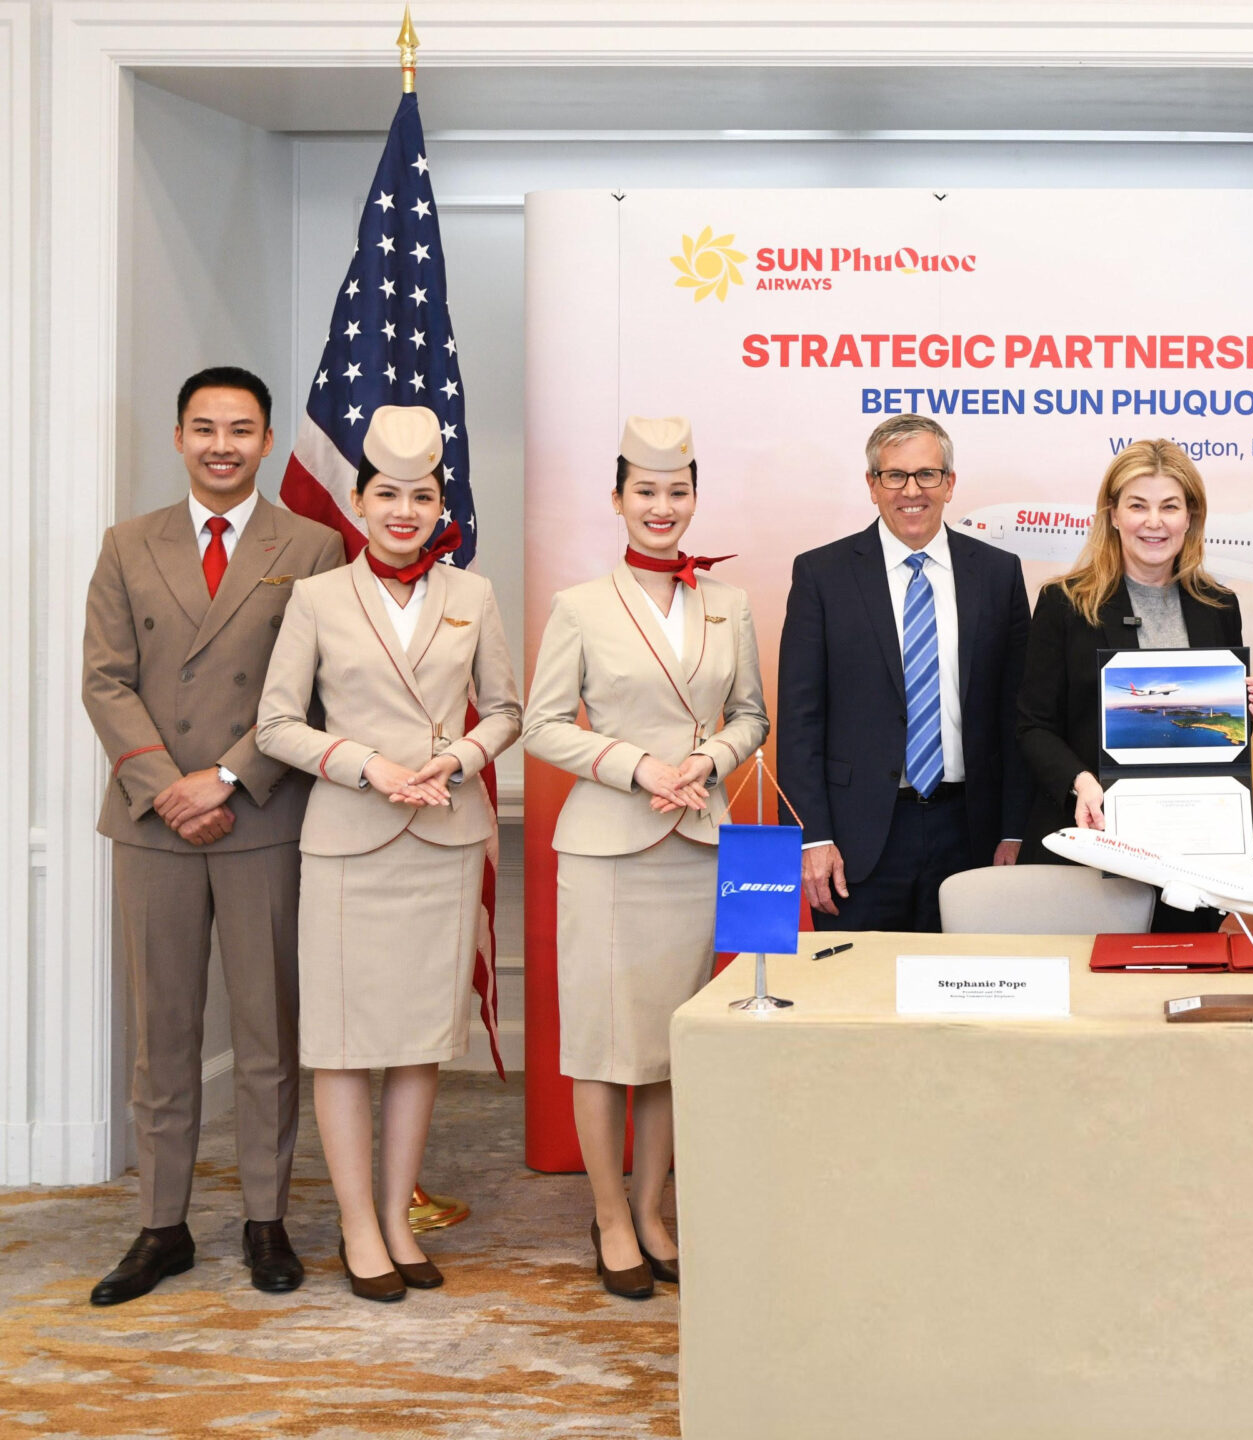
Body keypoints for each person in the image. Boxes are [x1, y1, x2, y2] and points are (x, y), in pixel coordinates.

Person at [79, 367, 348, 1305]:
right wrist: (171, 789)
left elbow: (315, 688)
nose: (222, 445)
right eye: (205, 428)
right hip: (153, 821)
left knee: (268, 1029)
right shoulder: (127, 543)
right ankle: (162, 1225)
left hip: (261, 814)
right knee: (162, 1032)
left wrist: (227, 777)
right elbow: (105, 680)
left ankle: (266, 1219)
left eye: (240, 429)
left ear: (267, 441)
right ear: (179, 437)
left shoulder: (311, 545)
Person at [255, 405, 521, 1301]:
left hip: (443, 834)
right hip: (349, 841)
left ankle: (399, 1217)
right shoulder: (318, 597)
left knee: (417, 1042)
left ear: (441, 505)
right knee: (341, 1044)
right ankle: (357, 1225)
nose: (404, 512)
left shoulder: (472, 596)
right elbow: (276, 724)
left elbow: (509, 711)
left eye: (422, 497)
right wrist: (369, 765)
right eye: (387, 496)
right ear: (360, 502)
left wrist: (459, 757)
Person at [523, 417, 768, 1299]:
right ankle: (610, 1216)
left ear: (695, 497)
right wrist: (639, 767)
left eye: (677, 491)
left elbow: (753, 715)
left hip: (696, 841)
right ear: (618, 498)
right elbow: (542, 725)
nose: (662, 507)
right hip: (608, 848)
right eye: (645, 491)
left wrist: (708, 761)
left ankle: (653, 1209)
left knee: (670, 1041)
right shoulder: (580, 606)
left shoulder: (728, 602)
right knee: (602, 1043)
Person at [779, 414, 1030, 931]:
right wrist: (812, 836)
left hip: (971, 833)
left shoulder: (998, 573)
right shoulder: (821, 575)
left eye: (927, 475)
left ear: (950, 483)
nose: (911, 491)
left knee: (967, 979)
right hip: (857, 840)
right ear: (872, 485)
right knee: (859, 982)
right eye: (894, 475)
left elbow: (1017, 714)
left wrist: (1014, 829)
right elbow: (800, 719)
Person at [1016, 440, 1253, 930]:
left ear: (1190, 517)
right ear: (1112, 514)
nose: (1154, 522)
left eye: (1169, 507)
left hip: (1192, 854)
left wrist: (1238, 711)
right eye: (1138, 506)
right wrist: (1080, 782)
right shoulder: (1065, 604)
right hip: (1094, 846)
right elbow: (1033, 726)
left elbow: (1215, 741)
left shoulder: (1219, 606)